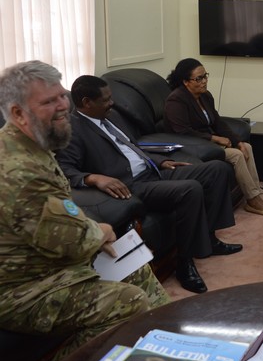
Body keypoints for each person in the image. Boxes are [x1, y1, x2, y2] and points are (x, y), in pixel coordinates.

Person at [0, 61, 169, 361]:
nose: (63, 106)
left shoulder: (33, 145)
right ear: (18, 113)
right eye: (49, 101)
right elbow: (72, 242)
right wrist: (101, 231)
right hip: (24, 290)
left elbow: (61, 213)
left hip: (49, 265)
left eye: (61, 95)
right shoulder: (20, 170)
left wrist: (93, 234)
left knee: (131, 262)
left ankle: (167, 342)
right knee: (127, 301)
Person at [56, 76, 243, 294]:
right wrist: (93, 178)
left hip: (152, 171)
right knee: (190, 189)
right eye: (105, 100)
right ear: (87, 102)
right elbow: (65, 169)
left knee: (217, 169)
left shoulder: (111, 117)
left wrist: (160, 161)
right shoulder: (72, 129)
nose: (111, 103)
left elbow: (133, 147)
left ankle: (210, 239)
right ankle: (184, 264)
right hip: (131, 184)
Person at [163, 58, 263, 217]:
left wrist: (237, 141)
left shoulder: (205, 96)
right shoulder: (176, 100)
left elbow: (218, 122)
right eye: (199, 78)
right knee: (236, 155)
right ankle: (253, 200)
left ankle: (255, 192)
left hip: (207, 143)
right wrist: (214, 138)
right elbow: (183, 132)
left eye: (205, 76)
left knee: (246, 147)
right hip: (191, 147)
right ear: (185, 82)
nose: (204, 81)